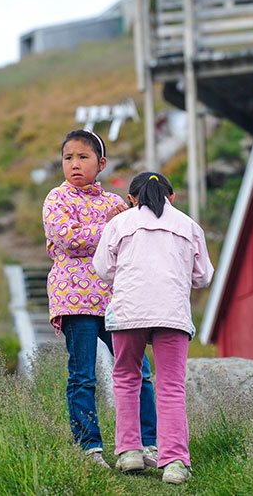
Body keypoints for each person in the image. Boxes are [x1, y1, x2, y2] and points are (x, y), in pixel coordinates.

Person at [42, 129, 158, 469]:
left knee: (139, 372)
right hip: (74, 299)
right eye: (68, 158)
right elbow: (66, 239)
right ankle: (89, 447)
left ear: (101, 163)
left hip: (116, 299)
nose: (75, 164)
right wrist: (107, 229)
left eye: (83, 157)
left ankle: (145, 445)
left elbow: (132, 241)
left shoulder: (115, 204)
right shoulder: (56, 198)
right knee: (83, 375)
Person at [92, 172, 214, 484]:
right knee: (171, 386)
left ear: (131, 198)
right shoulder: (189, 226)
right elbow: (203, 277)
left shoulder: (119, 224)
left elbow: (103, 269)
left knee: (126, 378)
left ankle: (130, 451)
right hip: (171, 313)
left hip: (129, 311)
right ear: (171, 198)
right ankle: (174, 463)